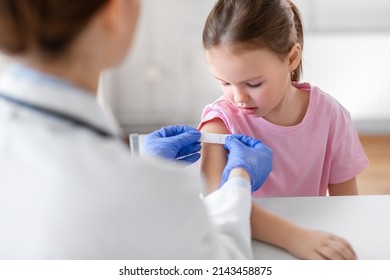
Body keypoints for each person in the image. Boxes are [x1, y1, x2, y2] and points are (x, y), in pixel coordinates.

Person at [0, 0, 273, 259]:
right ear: (113, 13)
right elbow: (224, 266)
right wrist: (238, 181)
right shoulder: (135, 191)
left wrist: (144, 170)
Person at [199, 0, 369, 260]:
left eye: (253, 83)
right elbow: (219, 204)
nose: (238, 97)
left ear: (292, 58)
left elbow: (346, 206)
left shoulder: (330, 116)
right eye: (224, 82)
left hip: (311, 247)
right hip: (248, 251)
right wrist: (295, 238)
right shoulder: (219, 123)